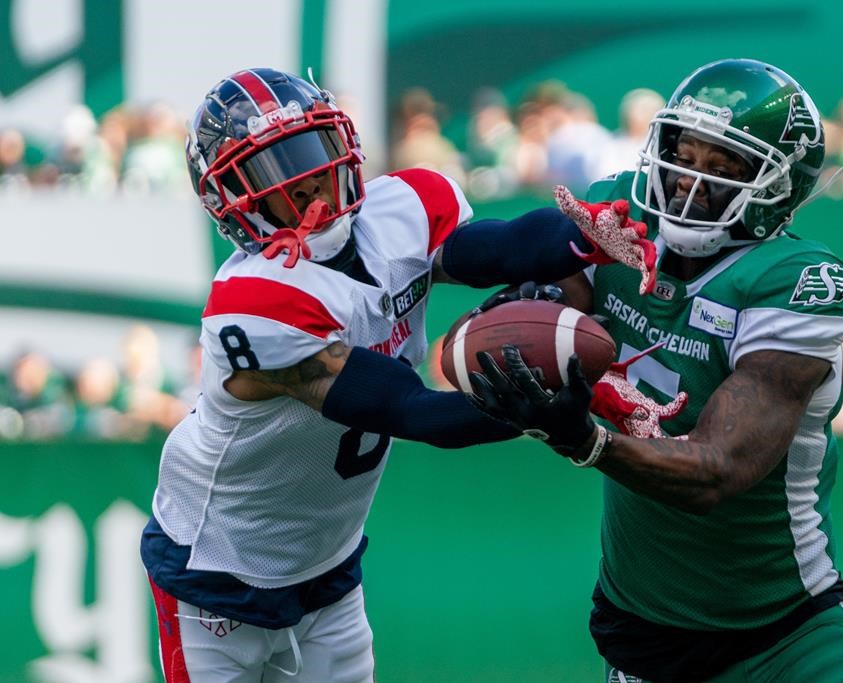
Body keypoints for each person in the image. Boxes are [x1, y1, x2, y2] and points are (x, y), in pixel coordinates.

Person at [140, 67, 655, 683]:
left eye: (308, 153)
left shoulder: (401, 208)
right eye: (273, 173)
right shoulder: (257, 304)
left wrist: (581, 238)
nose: (305, 182)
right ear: (230, 199)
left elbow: (499, 247)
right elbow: (414, 412)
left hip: (328, 567)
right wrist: (553, 404)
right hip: (218, 571)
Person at [470, 59, 843, 682]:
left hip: (788, 630)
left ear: (777, 187)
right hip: (647, 631)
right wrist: (529, 316)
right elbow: (542, 312)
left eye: (722, 168)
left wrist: (587, 443)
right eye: (683, 155)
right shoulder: (619, 214)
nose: (691, 183)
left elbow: (716, 471)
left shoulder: (796, 280)